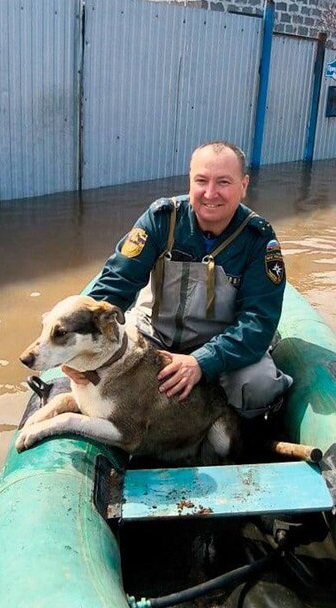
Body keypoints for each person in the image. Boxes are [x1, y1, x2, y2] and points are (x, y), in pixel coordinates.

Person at [87, 140, 291, 418]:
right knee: (101, 366)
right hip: (153, 333)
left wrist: (201, 361)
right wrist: (86, 342)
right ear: (190, 182)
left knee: (258, 385)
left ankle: (237, 438)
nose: (210, 193)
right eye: (201, 181)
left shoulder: (258, 239)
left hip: (221, 344)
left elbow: (258, 322)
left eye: (223, 182)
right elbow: (117, 283)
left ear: (243, 186)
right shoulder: (161, 219)